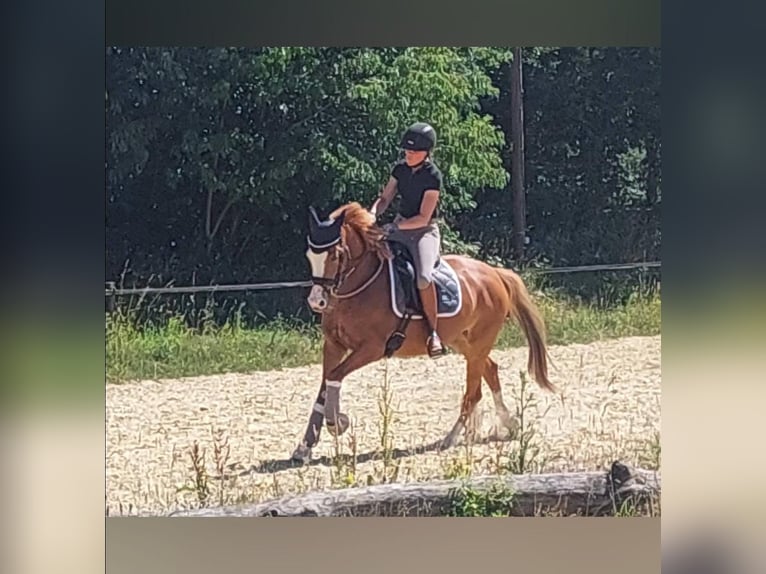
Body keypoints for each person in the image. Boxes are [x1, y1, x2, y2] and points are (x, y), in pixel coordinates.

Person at [369, 122, 446, 358]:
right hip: (400, 226)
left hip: (423, 232)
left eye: (414, 151)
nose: (409, 154)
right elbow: (384, 199)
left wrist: (392, 227)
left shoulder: (433, 176)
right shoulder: (400, 170)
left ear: (426, 153)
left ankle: (433, 333)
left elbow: (423, 217)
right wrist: (372, 214)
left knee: (423, 277)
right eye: (407, 151)